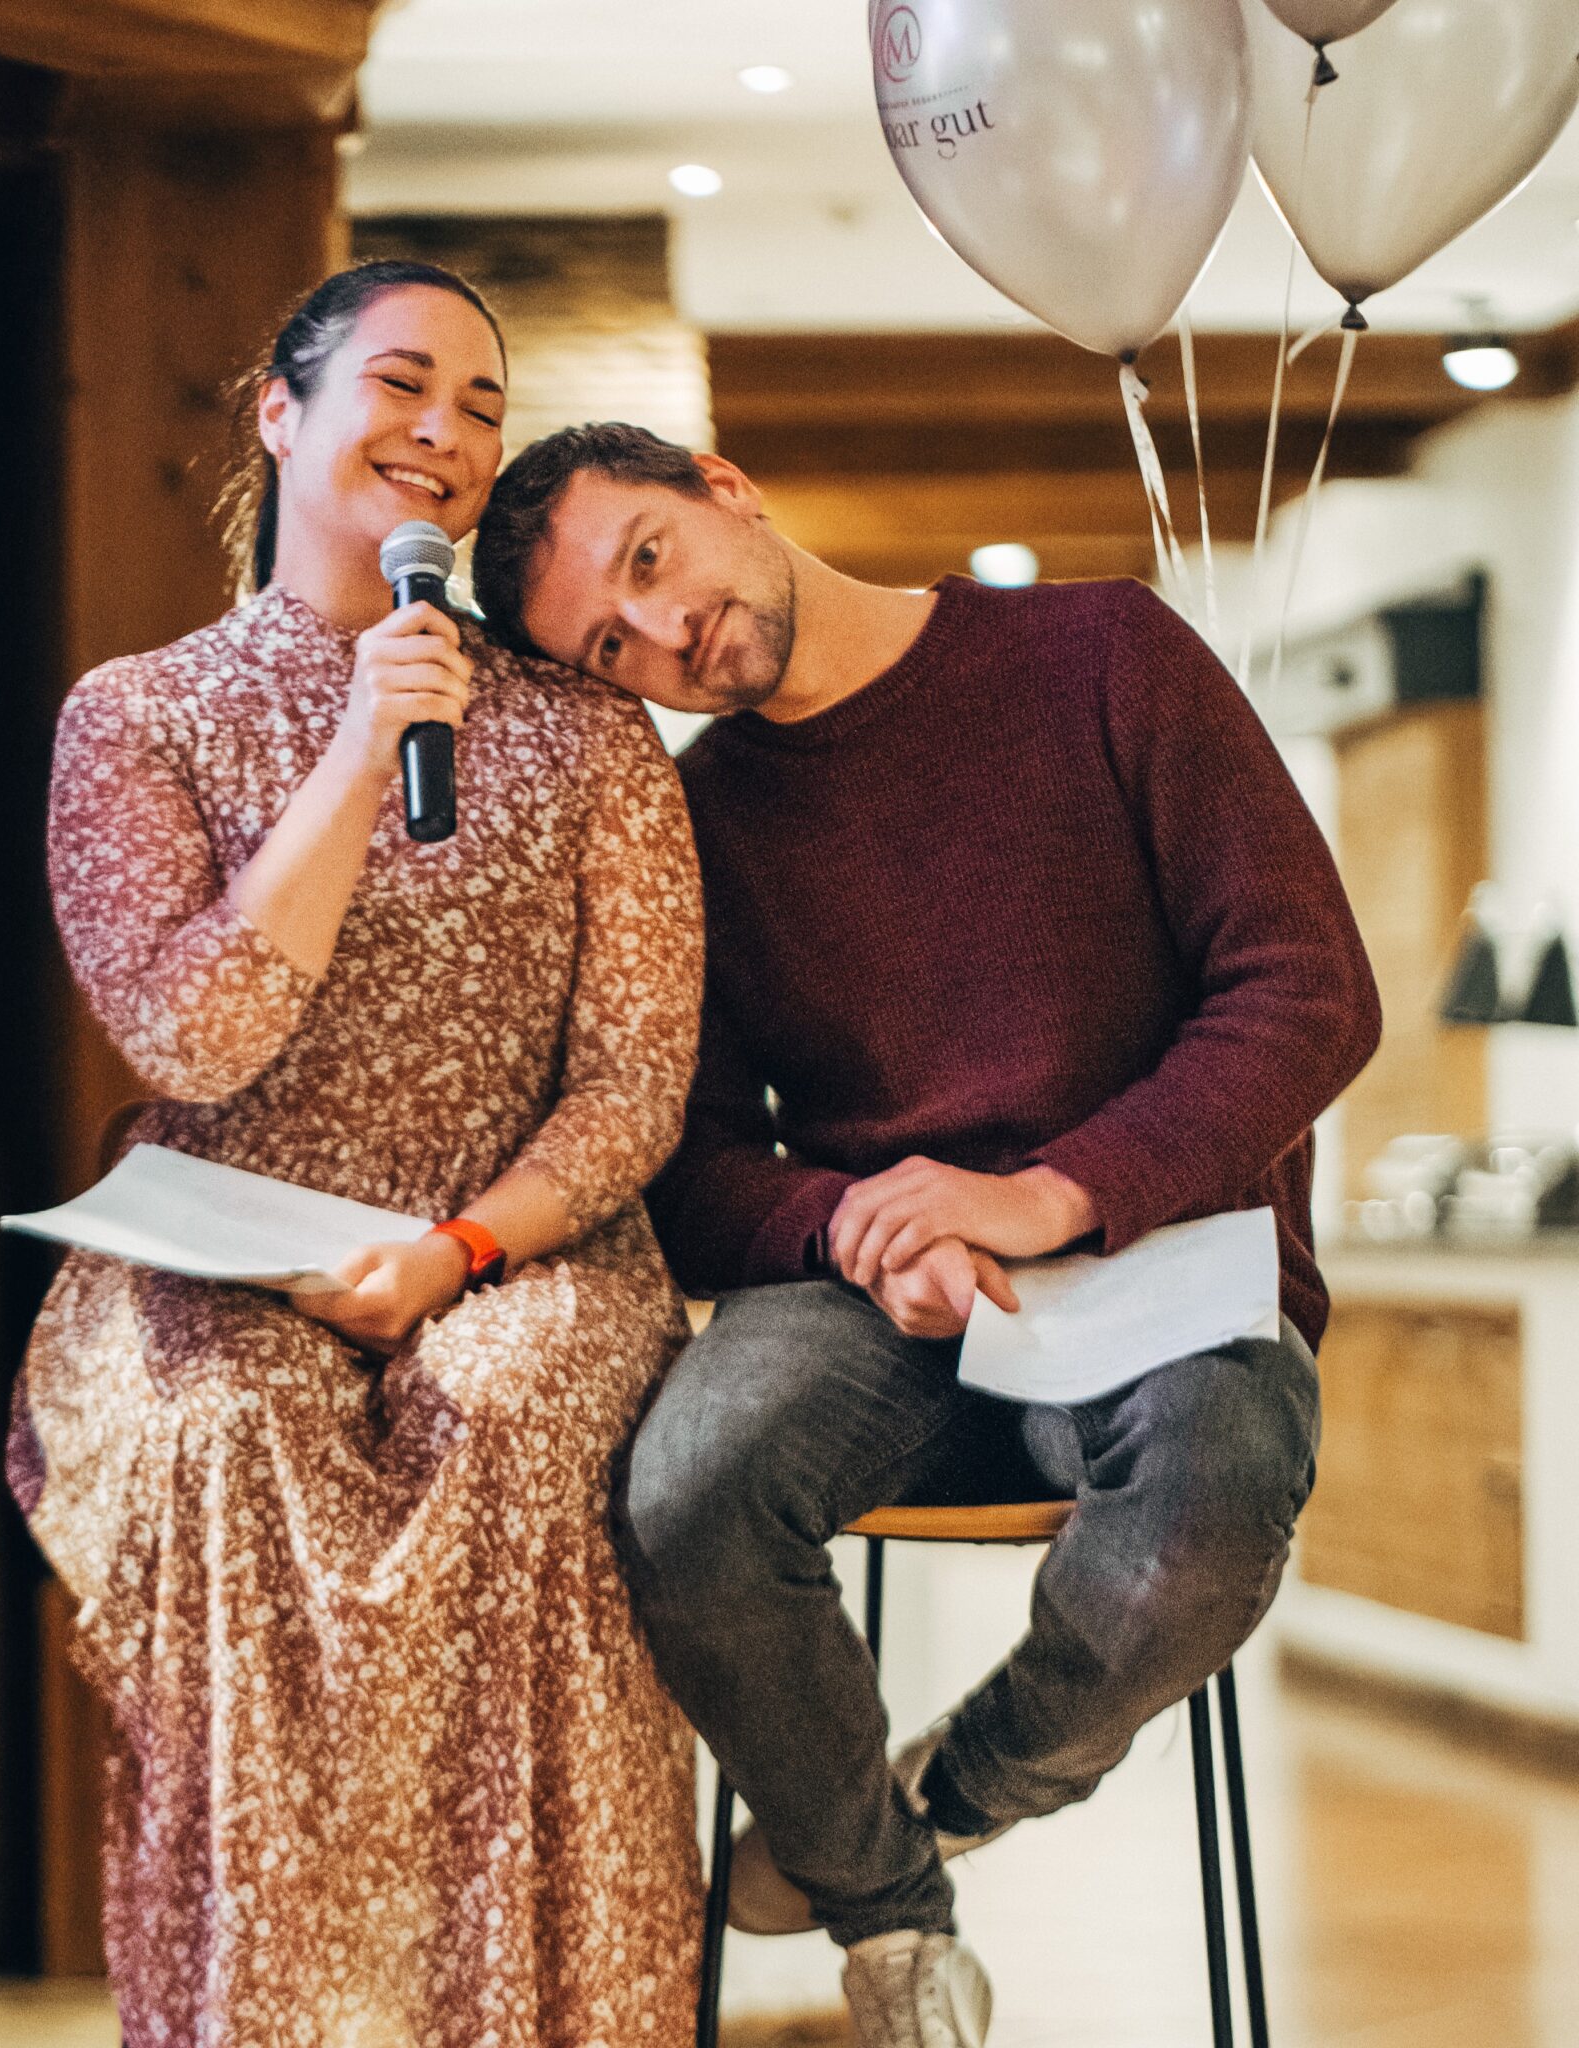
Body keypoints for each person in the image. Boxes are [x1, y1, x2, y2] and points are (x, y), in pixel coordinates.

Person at [470, 424, 1380, 2048]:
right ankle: (894, 1935)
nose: (664, 630)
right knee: (685, 1490)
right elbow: (685, 1160)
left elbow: (1308, 990)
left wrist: (1049, 1194)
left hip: (1158, 1264)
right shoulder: (695, 825)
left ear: (723, 484)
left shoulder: (1105, 652)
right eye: (610, 647)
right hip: (875, 1309)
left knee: (1209, 1502)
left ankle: (938, 1805)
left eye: (650, 560)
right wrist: (852, 1227)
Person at [8, 264, 707, 2043]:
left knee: (510, 1409)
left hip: (522, 1243)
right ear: (279, 410)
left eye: (481, 407)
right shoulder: (136, 715)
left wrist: (459, 1252)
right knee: (228, 1436)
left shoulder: (590, 729)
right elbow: (194, 1043)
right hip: (225, 1248)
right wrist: (357, 742)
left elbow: (636, 1083)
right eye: (403, 384)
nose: (444, 434)